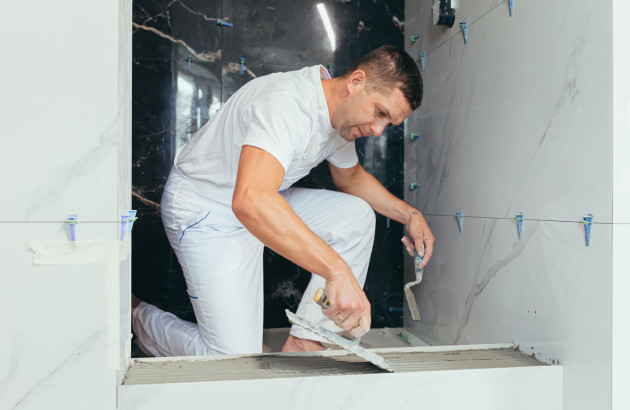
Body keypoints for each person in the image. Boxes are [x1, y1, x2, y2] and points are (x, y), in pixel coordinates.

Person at [131, 45, 435, 356]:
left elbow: (351, 177)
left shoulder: (341, 118)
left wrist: (409, 215)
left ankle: (308, 338)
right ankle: (137, 316)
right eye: (380, 112)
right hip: (205, 208)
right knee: (230, 360)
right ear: (356, 81)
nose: (377, 130)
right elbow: (250, 200)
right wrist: (336, 270)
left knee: (355, 217)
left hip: (258, 197)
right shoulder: (286, 103)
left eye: (388, 125)